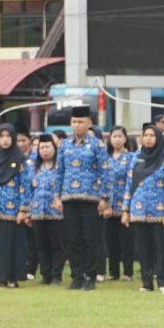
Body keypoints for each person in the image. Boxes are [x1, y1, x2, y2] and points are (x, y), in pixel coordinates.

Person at [56, 106, 109, 289]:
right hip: (69, 197)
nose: (77, 126)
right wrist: (57, 196)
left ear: (89, 123)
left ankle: (90, 276)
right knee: (73, 239)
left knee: (90, 239)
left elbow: (104, 171)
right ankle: (77, 275)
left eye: (80, 122)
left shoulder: (97, 145)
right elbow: (59, 171)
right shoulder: (64, 145)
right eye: (74, 122)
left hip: (90, 198)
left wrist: (104, 197)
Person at [122, 123, 164, 290]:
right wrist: (125, 210)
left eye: (152, 135)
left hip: (159, 212)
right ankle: (146, 282)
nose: (148, 138)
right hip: (138, 210)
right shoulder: (136, 157)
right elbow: (129, 184)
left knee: (161, 249)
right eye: (146, 135)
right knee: (143, 250)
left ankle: (163, 282)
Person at [0, 124, 31, 288]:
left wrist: (23, 209)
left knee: (13, 245)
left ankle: (13, 278)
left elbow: (25, 185)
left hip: (13, 209)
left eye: (8, 136)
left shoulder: (20, 159)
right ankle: (0, 277)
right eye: (1, 136)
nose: (4, 140)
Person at [28, 134, 67, 286]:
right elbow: (29, 190)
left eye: (48, 147)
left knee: (57, 245)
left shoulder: (59, 167)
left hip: (56, 213)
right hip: (37, 212)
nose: (44, 150)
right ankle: (45, 275)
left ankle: (56, 274)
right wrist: (28, 211)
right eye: (41, 147)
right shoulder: (33, 168)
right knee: (41, 246)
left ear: (54, 148)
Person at [101, 126, 135, 281]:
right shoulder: (105, 158)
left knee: (126, 240)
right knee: (110, 240)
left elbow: (131, 181)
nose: (117, 139)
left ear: (125, 139)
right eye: (114, 136)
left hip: (124, 205)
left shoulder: (130, 157)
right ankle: (113, 271)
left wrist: (127, 207)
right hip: (107, 206)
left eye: (120, 136)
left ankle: (127, 272)